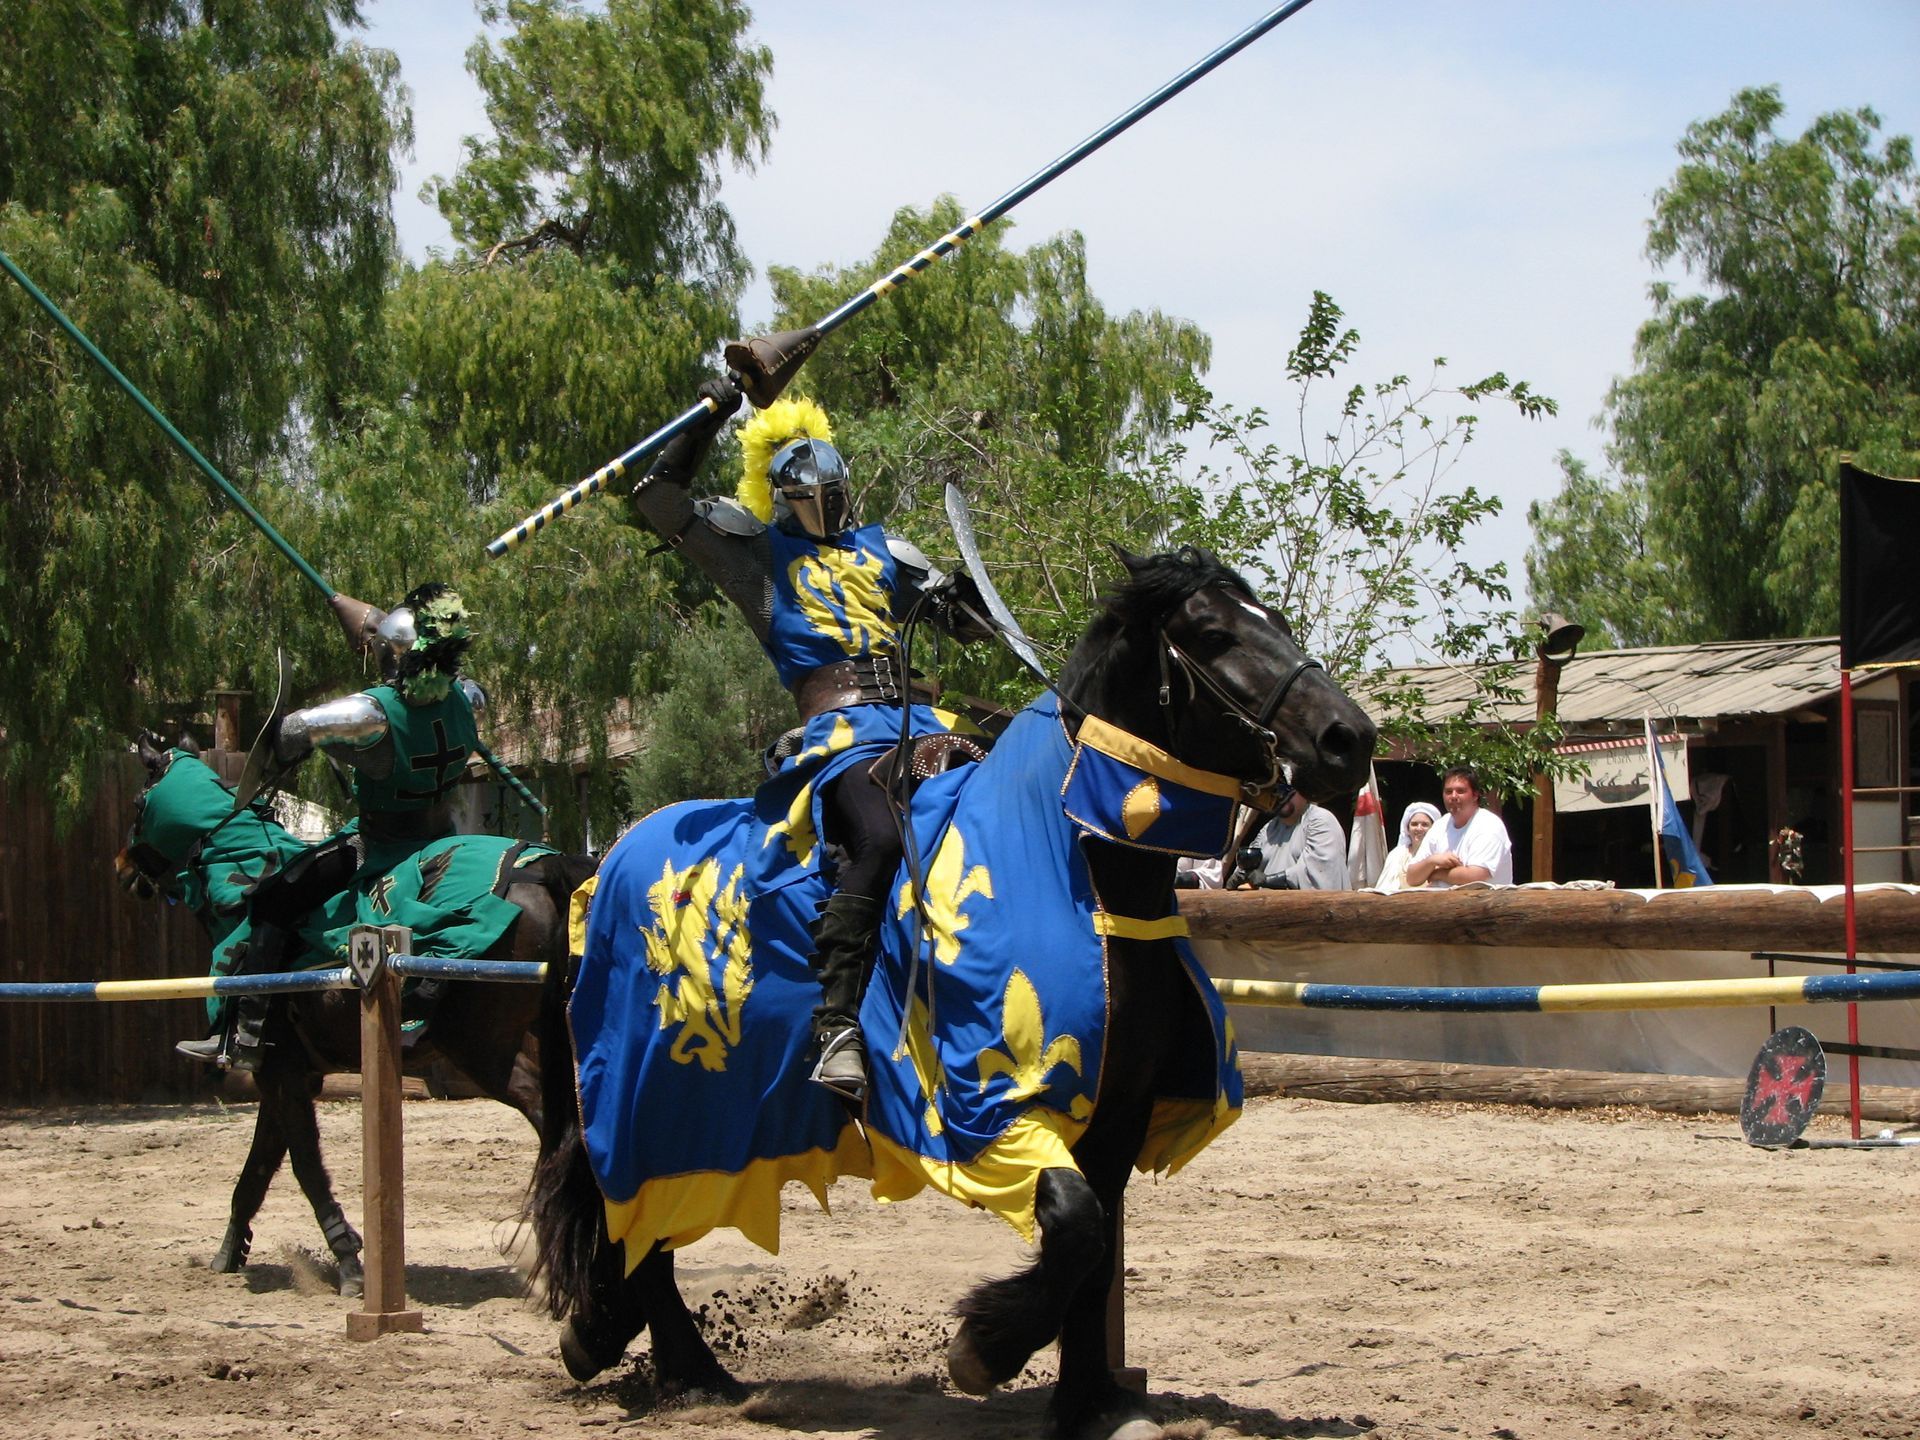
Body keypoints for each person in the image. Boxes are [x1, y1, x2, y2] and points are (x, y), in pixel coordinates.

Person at [623, 379, 987, 1106]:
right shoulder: (757, 554)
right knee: (881, 838)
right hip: (844, 735)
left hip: (924, 724)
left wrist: (966, 603)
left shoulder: (889, 550)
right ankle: (837, 1027)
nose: (827, 505)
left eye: (837, 491)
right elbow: (658, 499)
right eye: (809, 494)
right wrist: (714, 410)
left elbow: (963, 626)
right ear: (782, 496)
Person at [177, 583, 485, 1070]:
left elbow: (292, 732)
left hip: (380, 845)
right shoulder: (468, 697)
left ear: (395, 653)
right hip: (445, 836)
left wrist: (294, 735)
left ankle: (248, 1034)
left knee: (276, 900)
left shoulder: (370, 713)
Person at [1405, 766, 1513, 887]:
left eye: (1460, 791)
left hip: (1482, 904)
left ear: (1475, 795)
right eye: (1448, 791)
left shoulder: (1489, 825)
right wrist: (1432, 861)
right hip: (1441, 903)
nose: (1453, 796)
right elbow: (1412, 878)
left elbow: (1476, 876)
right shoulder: (1440, 825)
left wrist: (1438, 873)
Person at [1230, 786, 1348, 891]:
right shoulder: (1269, 828)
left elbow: (1318, 874)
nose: (1281, 797)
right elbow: (1247, 869)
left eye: (1288, 790)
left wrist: (1267, 881)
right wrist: (1240, 877)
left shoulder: (1320, 819)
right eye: (1274, 792)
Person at [1374, 801, 1441, 893]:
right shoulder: (1396, 856)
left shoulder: (1441, 854)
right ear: (1407, 828)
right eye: (1414, 824)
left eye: (1425, 824)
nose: (1419, 828)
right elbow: (1384, 889)